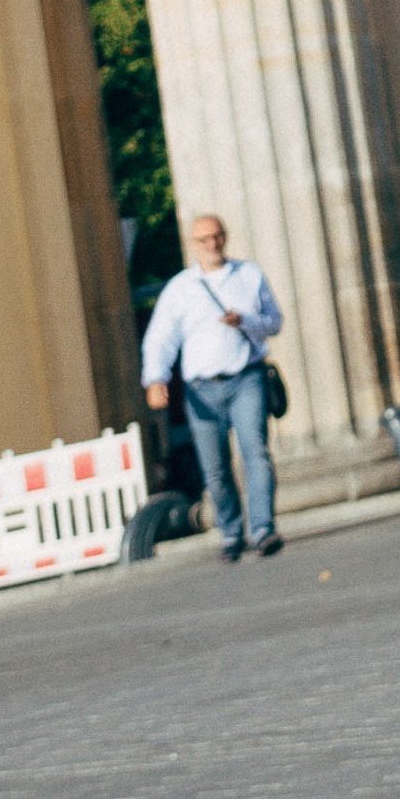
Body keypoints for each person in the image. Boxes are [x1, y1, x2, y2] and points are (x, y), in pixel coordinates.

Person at [140, 213, 286, 560]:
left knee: (256, 452)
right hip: (202, 388)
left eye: (218, 236)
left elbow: (274, 321)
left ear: (225, 237)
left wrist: (245, 321)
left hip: (245, 377)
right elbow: (161, 338)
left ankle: (263, 529)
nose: (213, 244)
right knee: (215, 466)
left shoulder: (248, 275)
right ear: (194, 244)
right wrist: (155, 379)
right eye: (205, 239)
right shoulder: (180, 289)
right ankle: (231, 532)